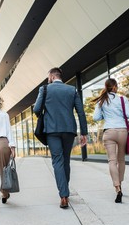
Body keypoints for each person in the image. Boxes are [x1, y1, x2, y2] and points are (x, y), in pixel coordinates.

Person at [33, 67, 88, 209]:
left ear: (51, 76)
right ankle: (65, 189)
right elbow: (81, 112)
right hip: (69, 129)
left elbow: (36, 109)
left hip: (52, 130)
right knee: (66, 160)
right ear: (60, 76)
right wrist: (84, 133)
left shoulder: (44, 89)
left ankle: (63, 195)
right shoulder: (72, 90)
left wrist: (47, 115)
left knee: (57, 161)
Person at [92, 78, 129, 203]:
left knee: (112, 161)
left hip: (109, 131)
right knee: (121, 160)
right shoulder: (122, 99)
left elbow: (96, 117)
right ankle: (120, 183)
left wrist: (106, 114)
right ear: (115, 87)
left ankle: (117, 188)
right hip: (122, 131)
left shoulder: (102, 100)